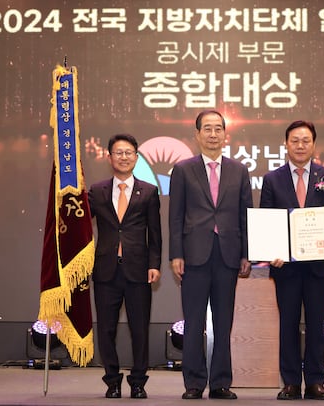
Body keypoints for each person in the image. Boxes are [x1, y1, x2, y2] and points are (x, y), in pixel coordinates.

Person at [260, 120, 324, 401]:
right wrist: (271, 250)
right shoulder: (272, 179)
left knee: (316, 324)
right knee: (287, 324)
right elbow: (267, 219)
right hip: (285, 266)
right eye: (295, 141)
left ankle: (315, 382)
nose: (300, 146)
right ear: (286, 144)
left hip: (318, 265)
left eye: (305, 141)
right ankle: (290, 382)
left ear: (313, 144)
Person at [169, 110, 253, 400]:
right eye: (207, 129)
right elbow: (175, 216)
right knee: (193, 322)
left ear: (225, 135)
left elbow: (245, 215)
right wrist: (176, 254)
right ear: (197, 134)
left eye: (218, 129)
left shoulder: (239, 170)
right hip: (194, 254)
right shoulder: (183, 170)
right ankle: (193, 383)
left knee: (223, 321)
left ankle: (220, 383)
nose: (213, 134)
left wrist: (247, 253)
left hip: (228, 254)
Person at [88, 133, 162, 399]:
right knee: (106, 329)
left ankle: (139, 382)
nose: (123, 157)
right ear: (110, 157)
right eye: (118, 153)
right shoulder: (96, 191)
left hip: (138, 270)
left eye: (128, 152)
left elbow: (155, 234)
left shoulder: (149, 191)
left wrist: (154, 264)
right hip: (105, 271)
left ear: (136, 157)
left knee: (139, 329)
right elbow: (81, 227)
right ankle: (112, 381)